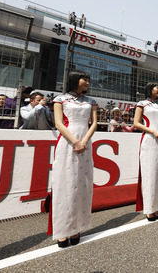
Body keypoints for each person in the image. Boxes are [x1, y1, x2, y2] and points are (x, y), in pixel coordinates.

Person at [50, 70, 97, 247]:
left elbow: (93, 124)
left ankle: (77, 227)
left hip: (85, 144)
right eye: (84, 79)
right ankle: (62, 230)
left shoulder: (91, 102)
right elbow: (58, 123)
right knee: (65, 185)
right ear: (74, 80)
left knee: (82, 185)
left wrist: (83, 141)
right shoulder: (60, 99)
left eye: (88, 79)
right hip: (67, 143)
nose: (87, 82)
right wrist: (75, 141)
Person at [133, 82, 158, 221]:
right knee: (149, 174)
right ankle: (149, 209)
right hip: (149, 140)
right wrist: (153, 131)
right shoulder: (142, 104)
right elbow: (136, 123)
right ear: (150, 89)